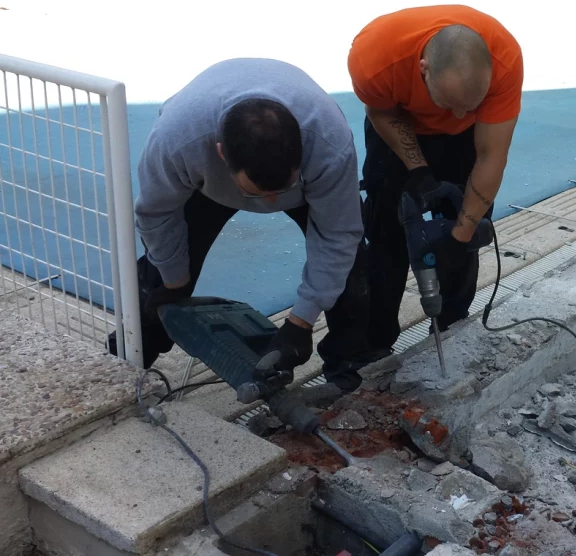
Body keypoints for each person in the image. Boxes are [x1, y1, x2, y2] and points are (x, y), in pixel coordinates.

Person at [109, 58, 376, 392]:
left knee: (353, 270)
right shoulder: (178, 141)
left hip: (301, 179)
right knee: (158, 280)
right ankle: (123, 364)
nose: (269, 203)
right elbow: (156, 214)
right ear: (221, 153)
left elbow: (338, 236)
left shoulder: (328, 144)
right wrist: (174, 281)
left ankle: (348, 371)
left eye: (280, 191)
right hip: (206, 182)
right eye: (256, 193)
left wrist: (301, 322)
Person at [344, 4, 524, 356]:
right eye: (450, 103)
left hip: (466, 140)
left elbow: (491, 155)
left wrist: (460, 237)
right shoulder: (376, 56)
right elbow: (380, 111)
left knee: (462, 234)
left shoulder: (504, 60)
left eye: (469, 106)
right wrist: (419, 170)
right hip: (398, 126)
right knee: (386, 236)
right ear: (423, 70)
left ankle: (451, 328)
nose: (457, 114)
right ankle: (374, 346)